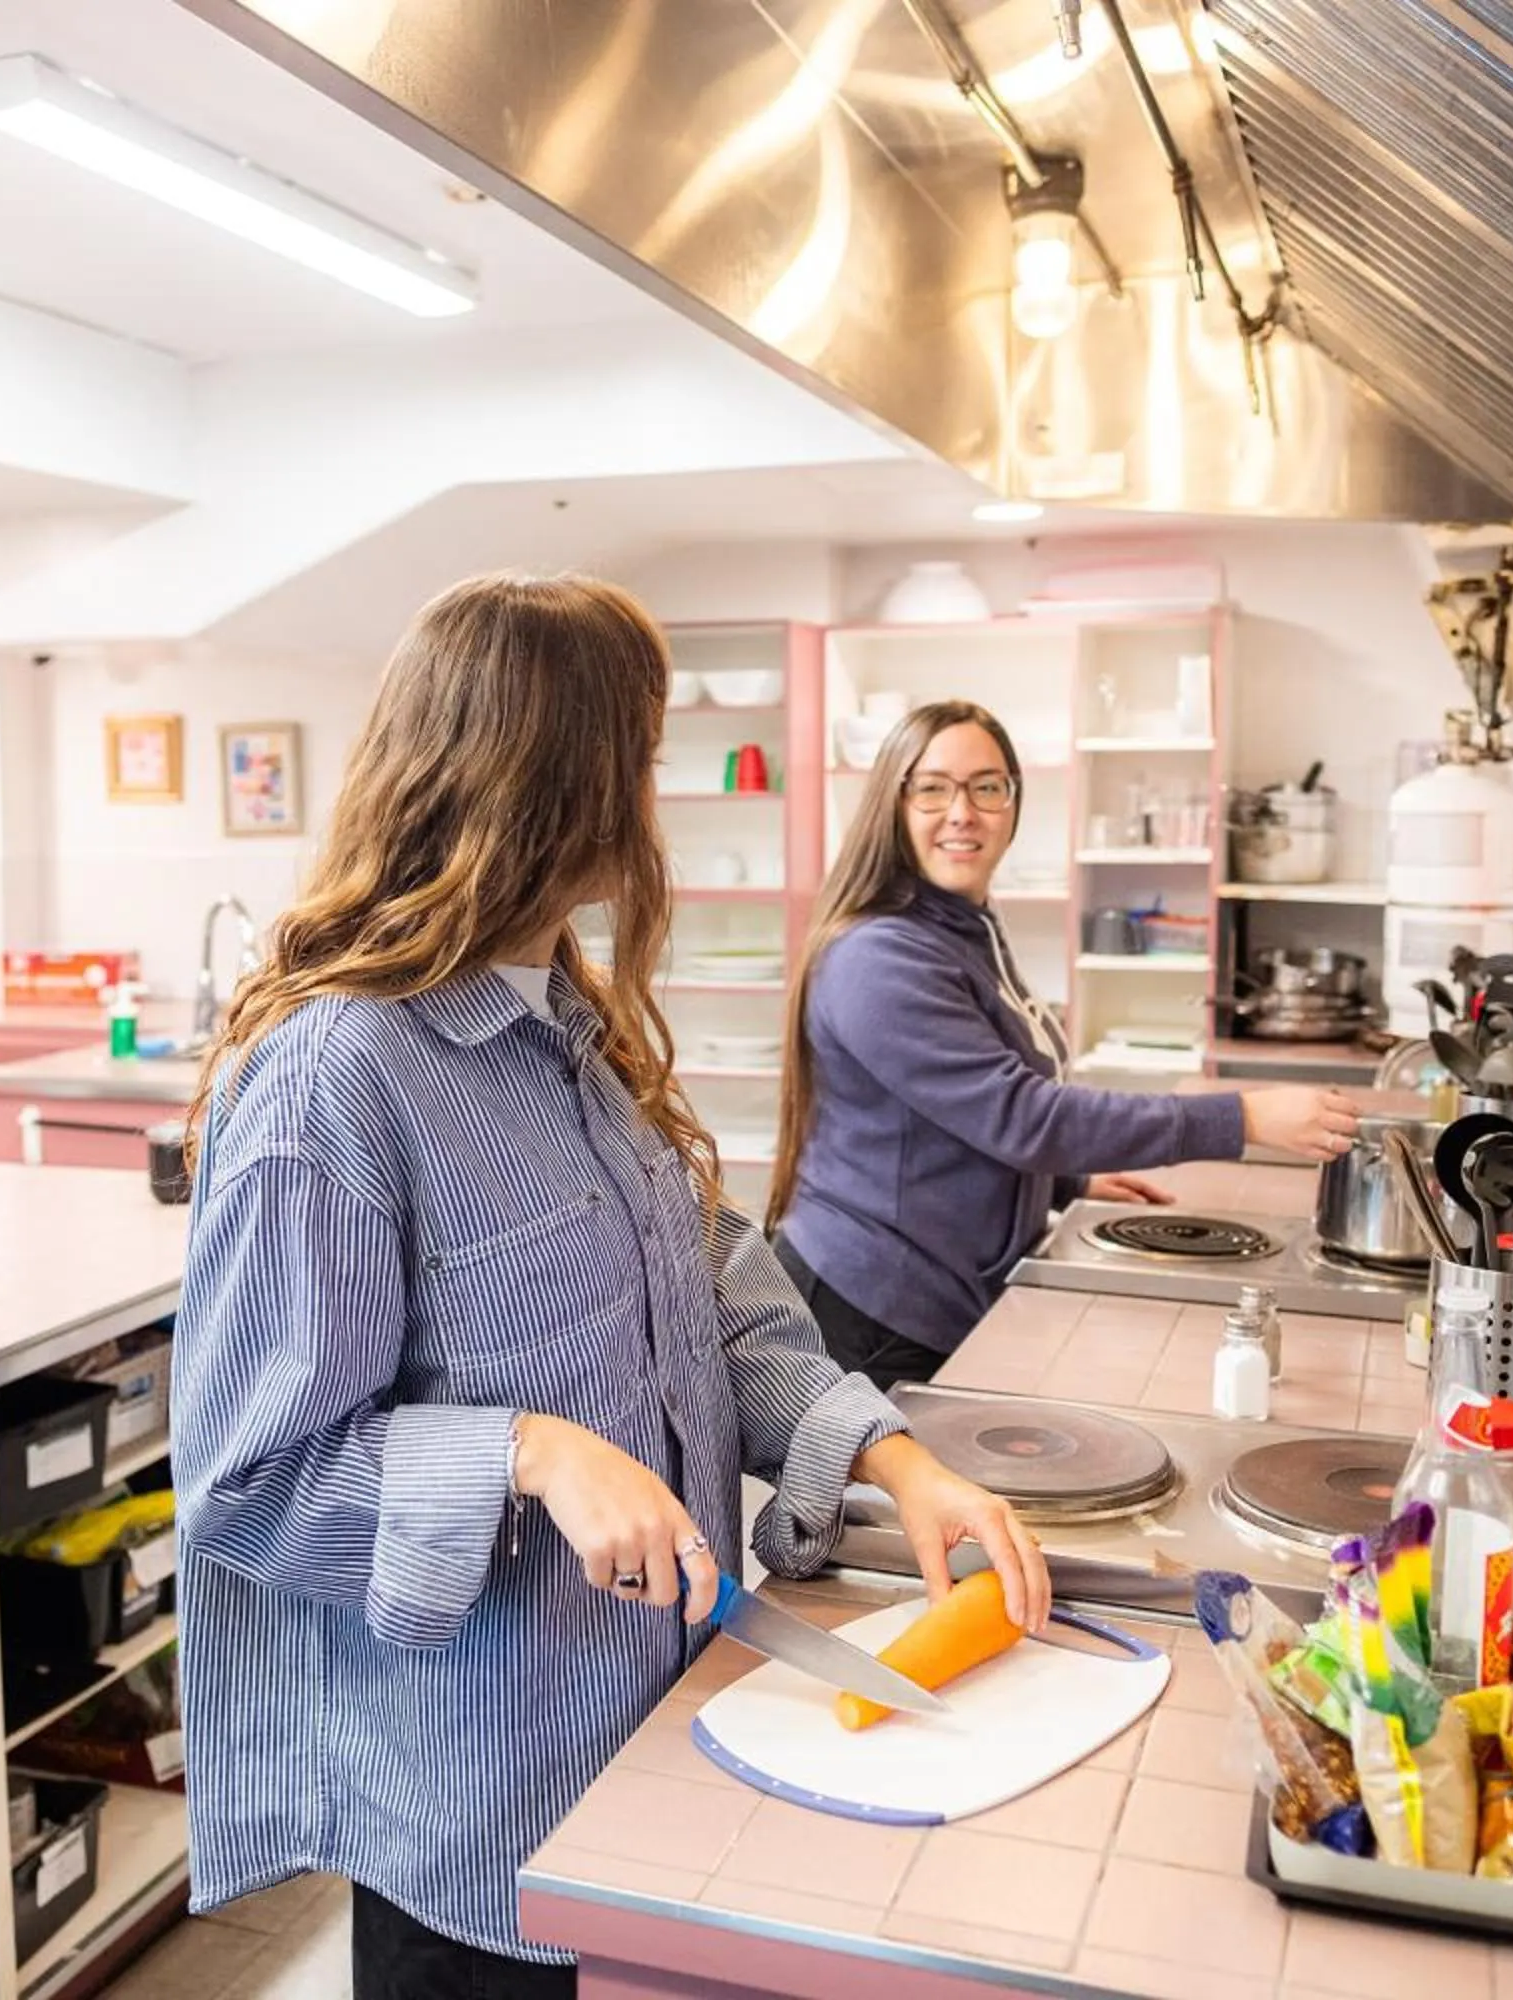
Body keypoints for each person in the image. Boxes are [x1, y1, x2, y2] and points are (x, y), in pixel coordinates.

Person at [172, 579, 1050, 1998]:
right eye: (637, 756)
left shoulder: (563, 1020)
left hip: (649, 1733)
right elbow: (249, 1485)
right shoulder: (338, 1083)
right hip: (481, 1829)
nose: (652, 798)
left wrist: (891, 1455)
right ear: (553, 781)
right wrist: (525, 1450)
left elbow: (717, 1300)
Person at [770, 700, 1361, 1390]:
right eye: (932, 788)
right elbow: (1025, 1117)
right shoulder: (882, 958)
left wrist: (1061, 1181)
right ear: (892, 806)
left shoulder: (962, 929)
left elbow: (960, 1116)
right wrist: (1246, 1118)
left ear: (1014, 804)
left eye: (987, 787)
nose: (963, 811)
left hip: (927, 1294)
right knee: (850, 1504)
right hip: (870, 1311)